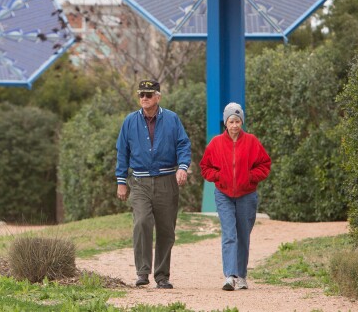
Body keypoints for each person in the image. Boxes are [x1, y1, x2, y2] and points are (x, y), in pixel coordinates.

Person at [116, 79, 191, 289]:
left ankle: (162, 276)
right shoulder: (129, 121)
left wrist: (183, 167)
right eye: (141, 95)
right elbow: (122, 152)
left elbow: (183, 144)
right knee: (141, 222)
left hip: (167, 180)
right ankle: (142, 272)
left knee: (166, 230)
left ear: (158, 96)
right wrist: (121, 181)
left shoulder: (172, 119)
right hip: (139, 181)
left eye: (148, 95)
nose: (144, 98)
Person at [200, 102, 271, 291]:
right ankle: (230, 276)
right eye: (231, 121)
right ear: (226, 122)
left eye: (238, 121)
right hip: (223, 195)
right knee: (229, 234)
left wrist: (250, 178)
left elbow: (264, 164)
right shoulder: (215, 143)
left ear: (242, 122)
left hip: (247, 195)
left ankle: (241, 276)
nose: (234, 125)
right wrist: (219, 177)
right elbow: (205, 167)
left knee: (243, 236)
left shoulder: (252, 141)